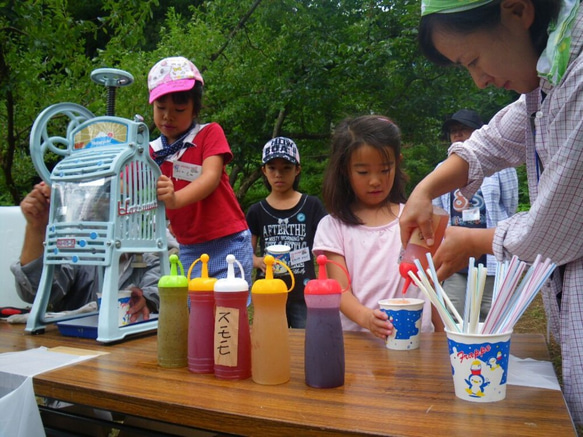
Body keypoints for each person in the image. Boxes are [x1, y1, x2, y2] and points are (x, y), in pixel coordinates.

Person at [400, 0, 583, 425]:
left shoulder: (575, 77)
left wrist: (471, 242)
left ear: (517, 11)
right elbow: (491, 141)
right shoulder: (550, 73)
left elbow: (551, 230)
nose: (479, 81)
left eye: (473, 60)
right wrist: (425, 189)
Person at [312, 115, 439, 341]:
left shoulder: (413, 218)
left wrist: (444, 334)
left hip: (417, 342)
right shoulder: (332, 227)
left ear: (397, 163)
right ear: (344, 170)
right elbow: (339, 290)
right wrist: (367, 319)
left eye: (385, 169)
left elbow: (432, 285)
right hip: (359, 343)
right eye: (363, 172)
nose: (375, 181)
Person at [148, 56, 253, 283]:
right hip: (189, 248)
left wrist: (174, 199)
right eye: (161, 107)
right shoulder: (150, 153)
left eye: (179, 108)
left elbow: (211, 177)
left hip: (229, 240)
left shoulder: (208, 133)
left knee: (229, 312)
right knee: (195, 312)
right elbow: (133, 187)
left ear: (195, 109)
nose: (168, 116)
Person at [10, 182, 160, 323]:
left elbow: (160, 295)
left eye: (126, 200)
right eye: (108, 196)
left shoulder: (151, 263)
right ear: (92, 208)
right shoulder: (78, 254)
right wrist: (36, 227)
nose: (120, 207)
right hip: (69, 345)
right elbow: (36, 293)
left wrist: (145, 301)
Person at [433, 109, 518, 320]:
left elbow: (510, 207)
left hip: (489, 254)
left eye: (464, 129)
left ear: (480, 132)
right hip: (455, 255)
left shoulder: (502, 169)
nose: (458, 134)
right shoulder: (441, 170)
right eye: (453, 131)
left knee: (490, 317)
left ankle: (488, 353)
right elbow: (437, 212)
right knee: (452, 314)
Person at [246, 137, 327, 328]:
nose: (278, 174)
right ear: (263, 171)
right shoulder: (256, 211)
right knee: (270, 342)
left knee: (305, 344)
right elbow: (245, 252)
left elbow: (326, 246)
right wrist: (258, 261)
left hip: (304, 291)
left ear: (297, 169)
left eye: (286, 168)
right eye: (272, 168)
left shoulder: (312, 206)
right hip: (269, 290)